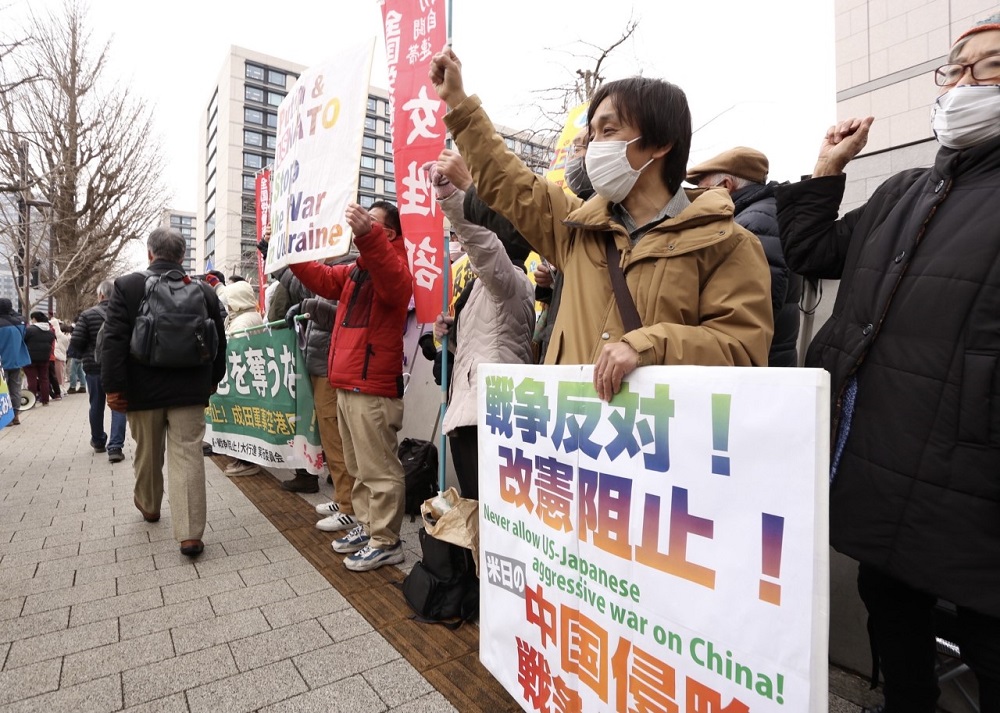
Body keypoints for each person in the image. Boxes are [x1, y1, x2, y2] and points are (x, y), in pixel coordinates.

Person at [775, 14, 1000, 712]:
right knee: (891, 604)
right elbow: (814, 253)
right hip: (882, 451)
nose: (963, 84)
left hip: (974, 470)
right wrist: (824, 172)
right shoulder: (904, 190)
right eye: (955, 69)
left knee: (987, 632)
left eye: (987, 68)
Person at [429, 49, 773, 403]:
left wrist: (647, 346)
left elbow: (741, 351)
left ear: (661, 144)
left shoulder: (729, 244)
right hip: (568, 440)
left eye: (608, 131)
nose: (594, 147)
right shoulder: (575, 228)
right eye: (592, 135)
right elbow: (511, 182)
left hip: (655, 447)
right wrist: (458, 100)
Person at [282, 200, 412, 572]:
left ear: (387, 233)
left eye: (372, 222)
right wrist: (292, 253)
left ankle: (386, 540)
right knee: (358, 464)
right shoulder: (356, 271)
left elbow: (394, 284)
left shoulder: (396, 266)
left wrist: (368, 236)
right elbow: (320, 277)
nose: (361, 225)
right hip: (350, 382)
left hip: (371, 385)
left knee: (379, 467)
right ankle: (368, 525)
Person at [101, 227, 227, 557]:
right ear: (183, 256)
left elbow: (113, 342)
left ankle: (150, 506)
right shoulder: (203, 290)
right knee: (188, 455)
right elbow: (219, 342)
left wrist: (113, 388)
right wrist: (213, 380)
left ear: (149, 253)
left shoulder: (127, 286)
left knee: (147, 451)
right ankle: (189, 535)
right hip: (190, 389)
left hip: (142, 390)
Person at [427, 150, 536, 499]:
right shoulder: (481, 287)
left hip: (490, 416)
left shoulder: (510, 280)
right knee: (478, 511)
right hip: (470, 412)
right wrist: (446, 336)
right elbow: (476, 345)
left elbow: (483, 247)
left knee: (491, 515)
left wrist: (453, 198)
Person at [687, 147, 801, 366]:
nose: (697, 197)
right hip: (772, 356)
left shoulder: (752, 222)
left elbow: (752, 308)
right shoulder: (768, 212)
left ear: (726, 186)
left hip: (759, 364)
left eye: (702, 188)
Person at [69, 280, 127, 462]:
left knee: (96, 404)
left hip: (94, 367)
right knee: (119, 405)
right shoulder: (125, 314)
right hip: (119, 368)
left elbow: (76, 343)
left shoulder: (87, 315)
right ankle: (116, 447)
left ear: (100, 295)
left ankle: (99, 440)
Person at [220, 280, 264, 477]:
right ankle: (245, 458)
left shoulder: (243, 321)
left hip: (242, 378)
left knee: (242, 420)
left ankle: (246, 461)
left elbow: (235, 349)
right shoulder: (249, 316)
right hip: (248, 378)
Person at [0, 298, 30, 426]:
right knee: (15, 389)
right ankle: (16, 415)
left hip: (2, 362)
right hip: (16, 360)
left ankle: (5, 418)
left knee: (2, 390)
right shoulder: (20, 323)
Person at [22, 312, 55, 407]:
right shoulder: (49, 331)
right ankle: (45, 400)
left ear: (34, 319)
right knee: (44, 378)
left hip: (30, 358)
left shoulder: (29, 330)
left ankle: (32, 401)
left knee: (31, 379)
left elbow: (23, 341)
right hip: (45, 358)